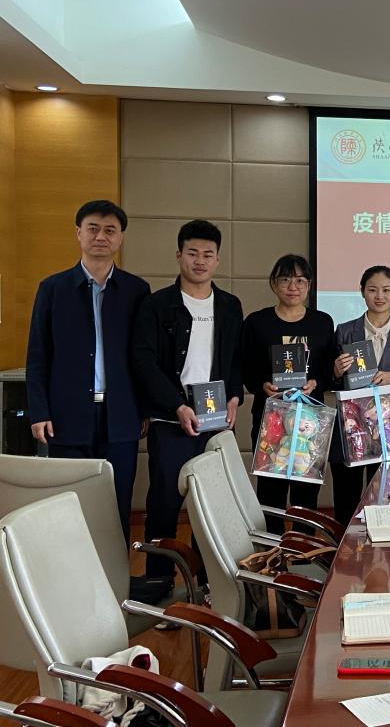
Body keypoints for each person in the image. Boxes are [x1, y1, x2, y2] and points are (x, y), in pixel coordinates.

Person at [26, 200, 150, 545]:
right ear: (78, 233)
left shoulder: (137, 291)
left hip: (120, 415)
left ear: (120, 238)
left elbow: (143, 358)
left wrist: (143, 409)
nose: (100, 236)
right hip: (66, 416)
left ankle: (115, 575)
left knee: (116, 503)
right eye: (93, 228)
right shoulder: (52, 288)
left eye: (110, 230)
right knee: (68, 505)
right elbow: (38, 355)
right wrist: (39, 411)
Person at [132, 220, 244, 577]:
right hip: (171, 420)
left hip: (215, 419)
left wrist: (234, 397)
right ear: (179, 255)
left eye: (208, 254)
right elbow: (143, 361)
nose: (200, 261)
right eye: (192, 253)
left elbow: (234, 359)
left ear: (218, 259)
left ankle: (209, 583)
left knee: (212, 505)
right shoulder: (156, 305)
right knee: (164, 503)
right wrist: (176, 405)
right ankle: (158, 581)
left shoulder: (229, 305)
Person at [241, 255, 334, 533]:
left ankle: (305, 551)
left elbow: (329, 370)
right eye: (285, 280)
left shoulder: (322, 322)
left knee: (306, 495)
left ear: (309, 285)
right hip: (270, 419)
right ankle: (272, 551)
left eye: (300, 281)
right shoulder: (257, 322)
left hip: (310, 421)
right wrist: (262, 385)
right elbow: (245, 368)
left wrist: (316, 382)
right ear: (273, 283)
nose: (293, 287)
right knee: (271, 492)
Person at [331, 265, 390, 523]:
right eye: (372, 290)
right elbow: (332, 378)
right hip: (353, 424)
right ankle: (344, 545)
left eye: (386, 290)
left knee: (387, 492)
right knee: (347, 494)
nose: (380, 296)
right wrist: (336, 370)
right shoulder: (345, 330)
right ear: (362, 292)